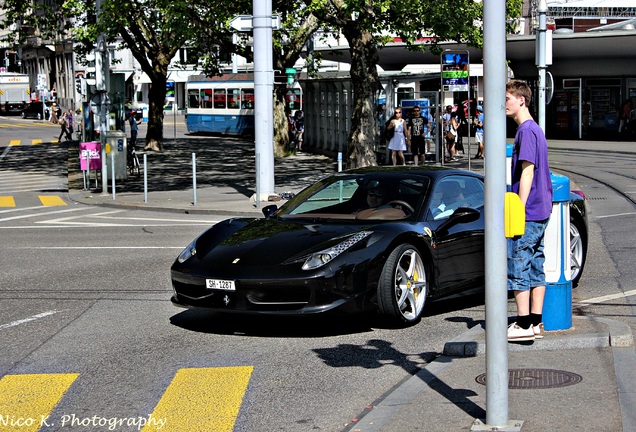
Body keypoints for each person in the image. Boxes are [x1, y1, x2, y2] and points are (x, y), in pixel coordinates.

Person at [505, 80, 553, 342]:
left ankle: (522, 324)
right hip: (542, 209)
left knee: (518, 264)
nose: (505, 104)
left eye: (508, 98)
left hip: (530, 210)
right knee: (536, 264)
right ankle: (536, 322)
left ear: (521, 100)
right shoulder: (536, 130)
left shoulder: (526, 131)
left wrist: (518, 208)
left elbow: (527, 170)